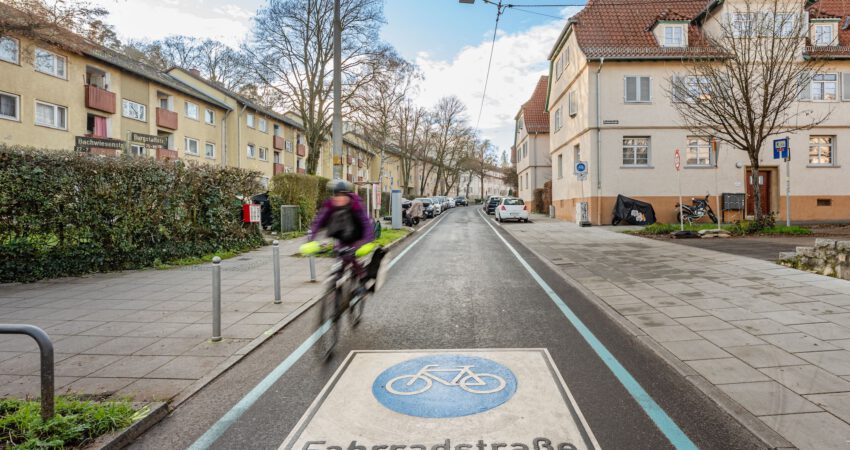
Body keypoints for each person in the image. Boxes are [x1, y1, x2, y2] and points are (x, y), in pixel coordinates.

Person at [307, 179, 375, 282]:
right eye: (337, 195)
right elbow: (319, 221)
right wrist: (311, 239)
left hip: (357, 236)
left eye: (343, 195)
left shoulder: (355, 203)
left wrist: (367, 241)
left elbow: (365, 222)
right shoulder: (330, 204)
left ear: (348, 195)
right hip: (342, 237)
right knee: (341, 260)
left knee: (351, 257)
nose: (340, 198)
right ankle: (336, 287)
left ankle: (362, 279)